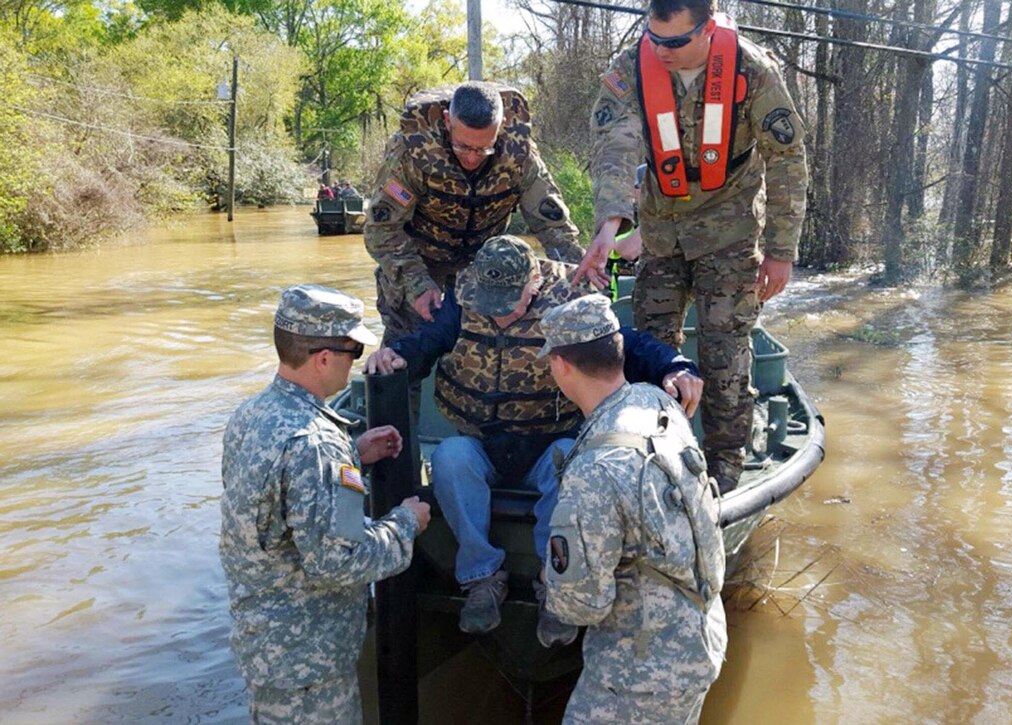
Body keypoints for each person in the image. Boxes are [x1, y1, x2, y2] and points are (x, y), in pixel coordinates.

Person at [364, 235, 703, 645]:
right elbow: (428, 341)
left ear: (533, 285)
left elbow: (625, 344)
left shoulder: (566, 300)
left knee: (571, 463)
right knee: (451, 459)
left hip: (548, 440)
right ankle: (481, 577)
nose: (501, 316)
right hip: (480, 439)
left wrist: (675, 365)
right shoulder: (464, 297)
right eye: (493, 304)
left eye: (511, 303)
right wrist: (396, 354)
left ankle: (552, 580)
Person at [575, 0, 808, 490]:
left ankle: (724, 470)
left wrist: (781, 252)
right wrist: (608, 224)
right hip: (662, 230)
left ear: (708, 27)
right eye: (654, 38)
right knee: (651, 350)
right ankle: (650, 459)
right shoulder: (632, 67)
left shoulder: (751, 69)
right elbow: (615, 144)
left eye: (676, 42)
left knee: (724, 354)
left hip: (730, 230)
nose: (662, 52)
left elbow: (786, 159)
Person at [220, 284, 431, 724]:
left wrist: (353, 454)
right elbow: (340, 562)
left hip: (265, 645)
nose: (356, 361)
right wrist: (405, 523)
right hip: (310, 661)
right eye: (352, 351)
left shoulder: (252, 415)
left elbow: (280, 501)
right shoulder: (316, 444)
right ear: (322, 358)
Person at [540, 294, 727, 724]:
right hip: (699, 635)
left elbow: (581, 605)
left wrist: (551, 582)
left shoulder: (594, 470)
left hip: (639, 672)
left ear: (561, 366)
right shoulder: (657, 402)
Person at [364, 80, 604, 348]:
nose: (471, 158)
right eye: (463, 147)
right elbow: (382, 230)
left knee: (482, 353)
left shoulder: (520, 156)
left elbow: (553, 227)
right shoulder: (409, 154)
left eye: (483, 148)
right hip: (417, 262)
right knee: (405, 353)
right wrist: (417, 285)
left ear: (500, 127)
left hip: (485, 268)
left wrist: (579, 276)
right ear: (447, 121)